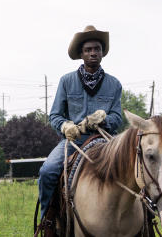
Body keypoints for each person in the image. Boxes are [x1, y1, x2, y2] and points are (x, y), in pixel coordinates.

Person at [37, 25, 124, 223]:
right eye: (88, 50)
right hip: (73, 141)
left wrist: (105, 119)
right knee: (47, 171)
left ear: (102, 53)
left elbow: (118, 117)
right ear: (81, 54)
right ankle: (48, 221)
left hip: (106, 140)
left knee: (135, 169)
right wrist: (66, 126)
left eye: (97, 49)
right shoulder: (66, 81)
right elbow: (55, 115)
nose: (93, 53)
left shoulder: (114, 84)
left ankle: (144, 221)